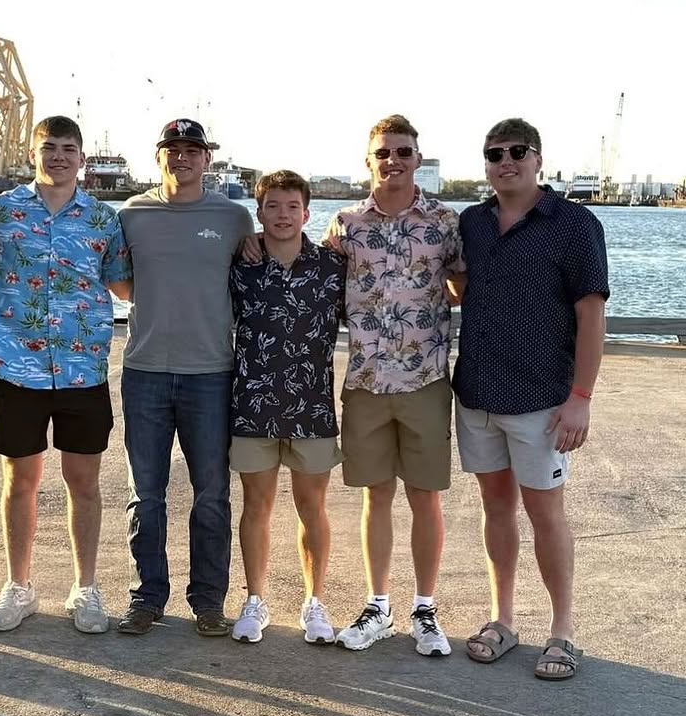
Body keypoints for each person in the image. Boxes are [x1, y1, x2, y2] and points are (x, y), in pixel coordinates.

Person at [454, 118, 608, 681]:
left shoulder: (574, 224)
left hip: (541, 399)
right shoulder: (472, 222)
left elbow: (592, 314)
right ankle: (503, 619)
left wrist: (580, 397)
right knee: (495, 508)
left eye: (517, 152)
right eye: (495, 154)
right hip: (477, 393)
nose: (506, 162)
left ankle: (563, 631)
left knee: (546, 513)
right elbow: (461, 286)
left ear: (538, 159)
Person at [0, 116, 132, 634]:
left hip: (82, 370)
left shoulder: (103, 219)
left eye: (69, 149)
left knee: (83, 482)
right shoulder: (2, 209)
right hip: (18, 368)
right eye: (49, 147)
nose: (59, 157)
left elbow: (125, 286)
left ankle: (85, 587)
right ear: (33, 154)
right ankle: (18, 585)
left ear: (82, 159)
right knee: (19, 481)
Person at [325, 114, 464, 656]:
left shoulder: (444, 221)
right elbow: (314, 278)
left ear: (417, 158)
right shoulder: (345, 225)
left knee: (425, 497)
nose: (393, 161)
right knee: (375, 496)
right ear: (369, 160)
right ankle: (378, 606)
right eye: (383, 152)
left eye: (403, 152)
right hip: (365, 379)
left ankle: (425, 608)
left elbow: (467, 284)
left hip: (425, 378)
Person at [117, 118, 255, 637]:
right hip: (145, 372)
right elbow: (120, 283)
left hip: (211, 375)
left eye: (192, 150)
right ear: (158, 157)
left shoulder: (233, 217)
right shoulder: (132, 215)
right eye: (172, 149)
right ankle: (147, 598)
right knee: (145, 495)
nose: (182, 158)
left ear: (207, 159)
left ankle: (209, 602)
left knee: (212, 494)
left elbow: (253, 272)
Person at [228, 171, 346, 644]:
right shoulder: (240, 265)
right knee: (255, 506)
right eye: (273, 206)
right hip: (252, 404)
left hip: (312, 407)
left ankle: (314, 602)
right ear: (259, 213)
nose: (283, 215)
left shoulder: (332, 266)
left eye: (292, 206)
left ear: (306, 212)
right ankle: (255, 599)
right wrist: (243, 245)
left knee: (311, 507)